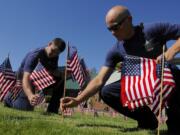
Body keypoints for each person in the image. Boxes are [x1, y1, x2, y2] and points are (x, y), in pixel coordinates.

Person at [60, 5, 180, 134]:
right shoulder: (116, 50)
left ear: (129, 19)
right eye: (109, 29)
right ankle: (148, 121)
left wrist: (171, 52)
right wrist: (78, 100)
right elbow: (99, 79)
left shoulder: (152, 30)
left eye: (116, 27)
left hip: (166, 76)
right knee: (107, 91)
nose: (113, 32)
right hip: (141, 83)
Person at [4, 37, 66, 114]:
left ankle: (52, 110)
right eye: (52, 51)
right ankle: (9, 100)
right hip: (24, 78)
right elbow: (25, 77)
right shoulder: (35, 55)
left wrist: (61, 74)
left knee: (61, 80)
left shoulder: (55, 55)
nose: (53, 55)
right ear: (49, 44)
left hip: (40, 77)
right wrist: (30, 95)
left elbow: (53, 70)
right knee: (26, 109)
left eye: (57, 53)